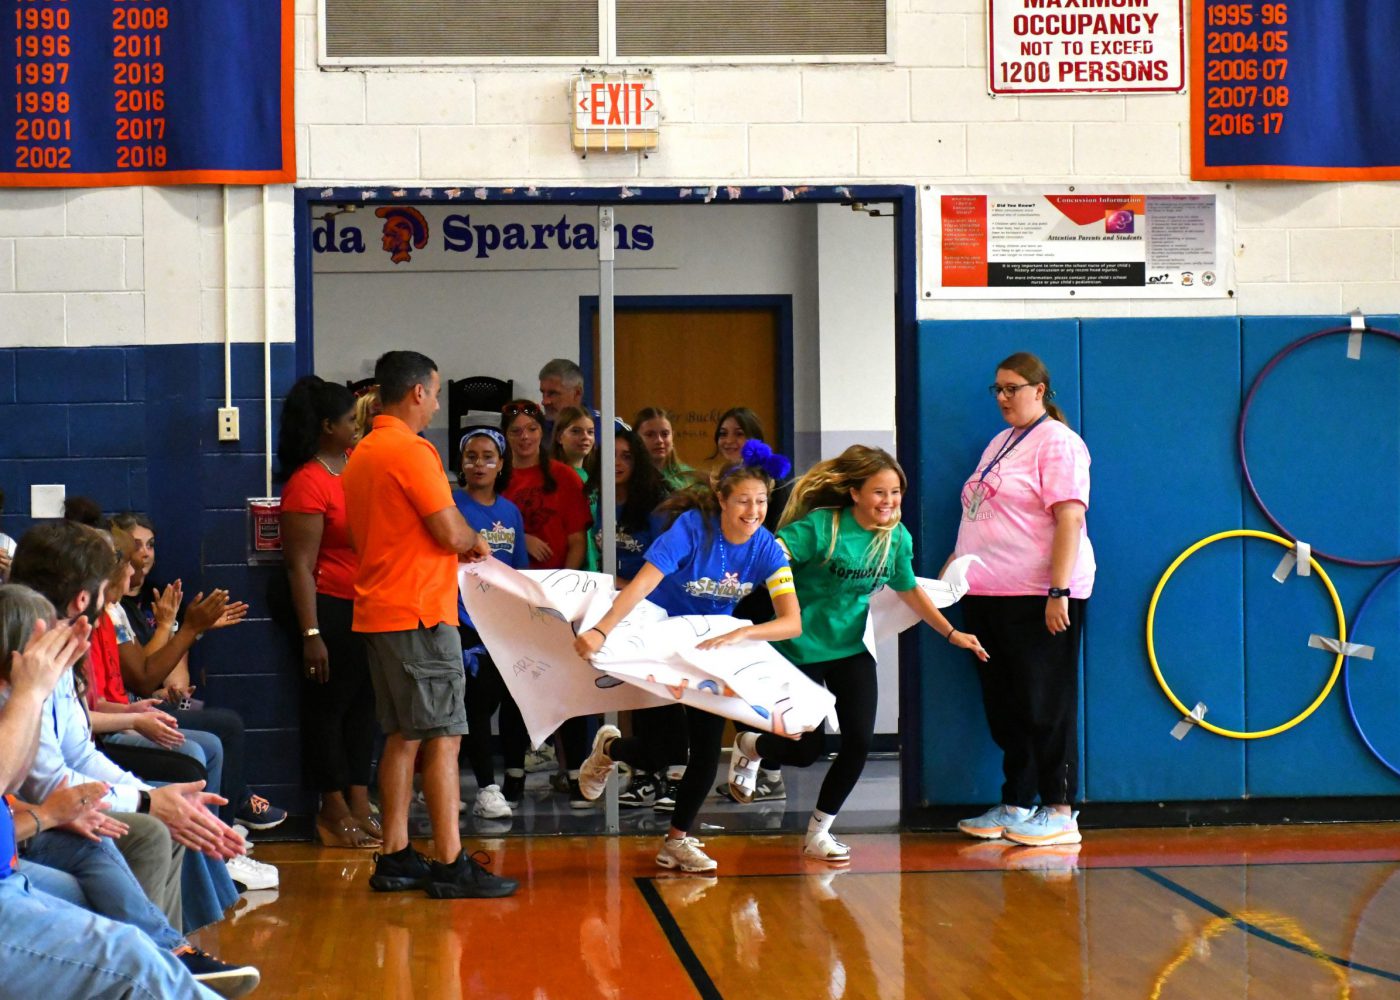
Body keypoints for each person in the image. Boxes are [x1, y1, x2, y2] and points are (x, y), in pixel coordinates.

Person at [727, 445, 988, 864]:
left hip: (850, 648)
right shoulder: (821, 528)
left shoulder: (895, 538)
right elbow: (771, 555)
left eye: (895, 493)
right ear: (854, 493)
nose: (889, 502)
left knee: (858, 742)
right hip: (797, 648)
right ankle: (752, 747)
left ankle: (819, 832)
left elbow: (908, 589)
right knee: (806, 749)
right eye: (879, 492)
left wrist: (951, 631)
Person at [572, 455, 803, 874]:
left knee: (705, 749)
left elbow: (791, 622)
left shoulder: (767, 547)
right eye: (743, 501)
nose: (753, 512)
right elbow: (642, 585)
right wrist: (602, 630)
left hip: (711, 646)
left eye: (761, 501)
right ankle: (610, 749)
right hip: (659, 636)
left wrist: (742, 632)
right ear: (721, 499)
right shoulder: (692, 529)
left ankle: (676, 842)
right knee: (666, 750)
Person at [343, 350, 517, 899]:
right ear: (417, 392)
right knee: (444, 738)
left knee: (400, 736)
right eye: (436, 392)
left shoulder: (362, 452)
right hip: (419, 612)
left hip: (378, 610)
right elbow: (448, 529)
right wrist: (474, 539)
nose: (439, 402)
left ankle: (395, 854)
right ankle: (449, 861)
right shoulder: (411, 451)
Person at [0, 590, 232, 1000]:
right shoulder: (18, 697)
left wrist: (39, 694)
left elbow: (23, 779)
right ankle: (172, 953)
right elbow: (40, 779)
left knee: (134, 937)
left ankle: (174, 951)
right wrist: (50, 814)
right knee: (134, 955)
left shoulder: (26, 696)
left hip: (13, 870)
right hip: (15, 869)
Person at [952, 352, 1095, 848]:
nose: (1003, 398)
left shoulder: (1059, 443)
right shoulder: (1001, 441)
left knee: (1044, 702)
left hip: (1039, 596)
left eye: (1013, 388)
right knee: (1006, 704)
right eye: (997, 389)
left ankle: (1059, 808)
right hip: (990, 593)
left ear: (1040, 389)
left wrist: (1057, 591)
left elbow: (1069, 520)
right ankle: (1017, 801)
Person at [109, 512, 286, 838]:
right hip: (130, 708)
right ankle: (231, 815)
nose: (144, 556)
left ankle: (234, 809)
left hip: (149, 700)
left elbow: (172, 674)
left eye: (150, 545)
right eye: (135, 548)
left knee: (203, 711)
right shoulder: (112, 608)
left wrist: (187, 634)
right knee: (222, 727)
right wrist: (179, 629)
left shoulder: (154, 597)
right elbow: (142, 675)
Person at [278, 376, 380, 849]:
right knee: (328, 710)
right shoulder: (307, 483)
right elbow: (299, 565)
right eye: (347, 421)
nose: (355, 428)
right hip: (331, 607)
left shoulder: (353, 467)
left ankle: (360, 800)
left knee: (365, 709)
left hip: (369, 605)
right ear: (326, 427)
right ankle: (332, 807)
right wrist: (311, 631)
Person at [498, 398, 593, 804]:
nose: (524, 438)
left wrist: (561, 593)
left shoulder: (565, 478)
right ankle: (515, 773)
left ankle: (575, 772)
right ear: (505, 436)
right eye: (516, 431)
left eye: (531, 430)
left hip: (557, 601)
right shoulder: (497, 479)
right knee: (514, 686)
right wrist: (522, 540)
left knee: (565, 685)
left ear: (544, 434)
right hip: (509, 599)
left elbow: (575, 541)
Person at [581, 421, 679, 810]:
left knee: (664, 695)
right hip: (612, 608)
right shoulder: (596, 502)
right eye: (612, 457)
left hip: (654, 605)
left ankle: (671, 776)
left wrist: (621, 582)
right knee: (634, 693)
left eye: (627, 456)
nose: (619, 463)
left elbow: (663, 566)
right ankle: (643, 777)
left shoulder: (656, 505)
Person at [452, 428, 530, 815]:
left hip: (501, 624)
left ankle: (507, 776)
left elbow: (519, 570)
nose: (478, 464)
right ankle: (485, 787)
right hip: (460, 620)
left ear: (501, 464)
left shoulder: (510, 511)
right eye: (471, 456)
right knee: (473, 706)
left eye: (487, 457)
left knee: (501, 700)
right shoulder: (451, 505)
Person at [634, 406, 694, 489]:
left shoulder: (689, 477)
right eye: (650, 434)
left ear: (672, 436)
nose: (659, 441)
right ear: (636, 438)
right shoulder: (629, 477)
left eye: (665, 434)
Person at [538, 357, 586, 430]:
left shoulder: (603, 429)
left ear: (577, 393)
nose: (544, 402)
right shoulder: (537, 429)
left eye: (553, 393)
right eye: (543, 393)